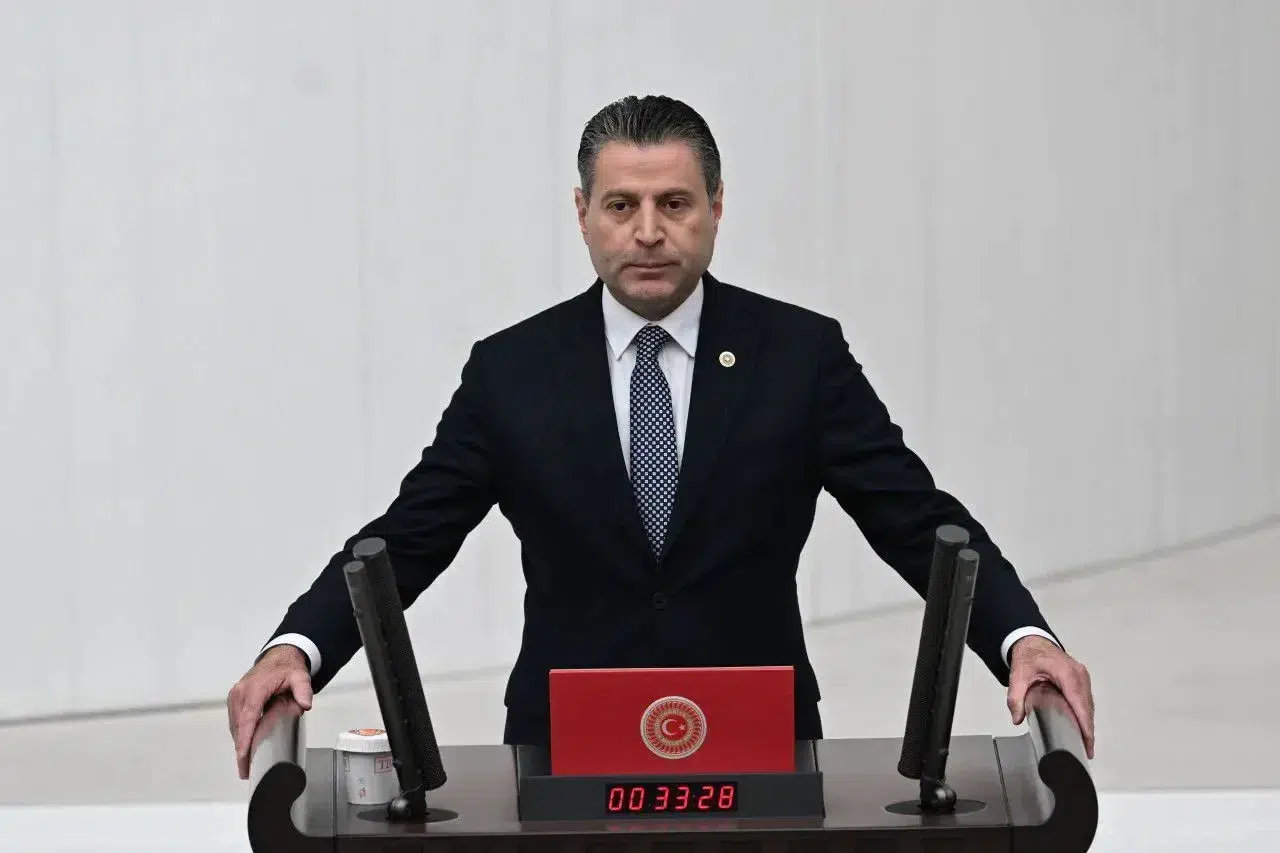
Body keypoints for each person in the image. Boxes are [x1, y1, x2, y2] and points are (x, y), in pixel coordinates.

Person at [227, 94, 1095, 780]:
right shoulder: (512, 370)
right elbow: (410, 536)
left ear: (716, 207)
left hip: (760, 747)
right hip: (562, 751)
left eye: (674, 202)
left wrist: (1024, 638)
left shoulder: (799, 357)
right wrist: (295, 647)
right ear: (582, 213)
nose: (648, 231)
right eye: (622, 204)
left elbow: (915, 518)